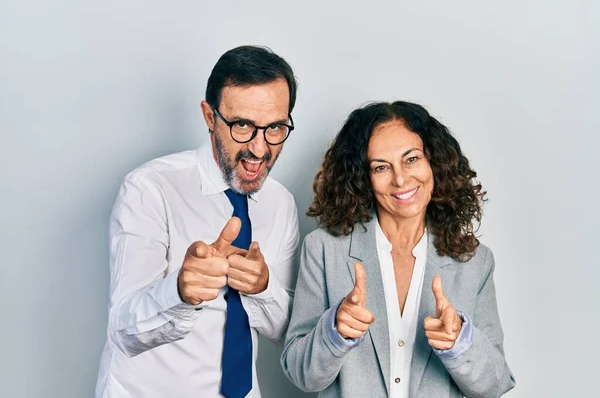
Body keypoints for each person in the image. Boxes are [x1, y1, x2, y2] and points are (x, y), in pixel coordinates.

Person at [96, 45, 300, 398]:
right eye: (242, 126)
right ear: (209, 117)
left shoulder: (281, 203)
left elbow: (287, 331)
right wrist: (179, 292)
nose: (259, 148)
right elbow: (123, 331)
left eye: (276, 128)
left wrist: (263, 287)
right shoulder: (150, 189)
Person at [281, 101, 516, 397]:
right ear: (362, 178)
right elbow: (302, 375)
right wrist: (335, 332)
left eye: (412, 159)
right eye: (381, 167)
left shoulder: (475, 262)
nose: (401, 179)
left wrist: (459, 342)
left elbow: (495, 384)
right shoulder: (323, 250)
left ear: (435, 163)